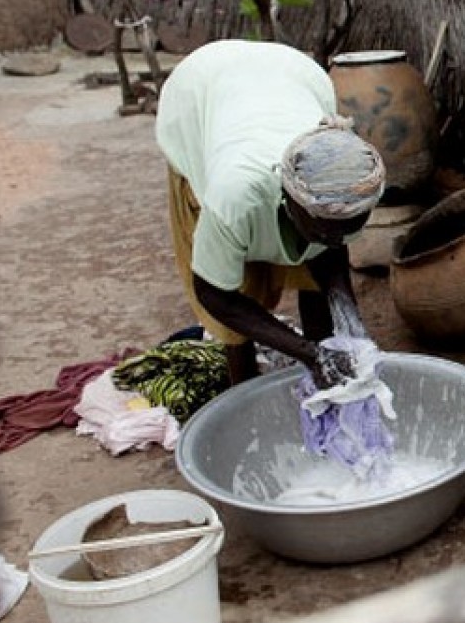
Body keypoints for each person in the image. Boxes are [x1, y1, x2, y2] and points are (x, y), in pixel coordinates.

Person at [155, 39, 385, 390]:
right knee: (240, 293)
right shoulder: (233, 198)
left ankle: (326, 376)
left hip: (293, 73)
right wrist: (308, 353)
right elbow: (215, 293)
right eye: (323, 230)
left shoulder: (350, 179)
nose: (334, 240)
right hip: (201, 89)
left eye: (346, 229)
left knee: (318, 276)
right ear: (291, 201)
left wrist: (349, 324)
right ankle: (244, 390)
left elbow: (331, 255)